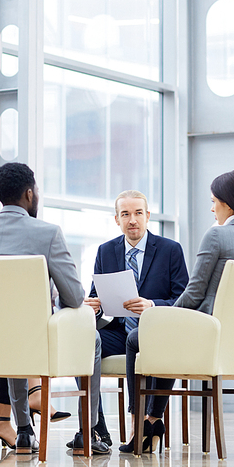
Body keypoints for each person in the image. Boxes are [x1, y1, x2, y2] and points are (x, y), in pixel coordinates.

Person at [0, 162, 110, 456]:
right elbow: (75, 299)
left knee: (14, 339)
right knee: (91, 339)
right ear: (29, 194)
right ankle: (87, 433)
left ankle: (25, 432)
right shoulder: (48, 233)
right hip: (36, 341)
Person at [124, 170, 234, 452]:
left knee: (138, 338)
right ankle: (153, 419)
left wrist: (162, 316)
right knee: (164, 337)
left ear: (227, 204)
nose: (211, 208)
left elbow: (193, 294)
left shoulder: (217, 235)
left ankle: (141, 423)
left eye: (214, 201)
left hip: (206, 338)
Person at [77, 190, 188, 453]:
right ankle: (95, 426)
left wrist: (151, 304)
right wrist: (92, 305)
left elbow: (183, 300)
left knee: (134, 339)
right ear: (117, 219)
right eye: (125, 214)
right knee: (79, 341)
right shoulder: (106, 251)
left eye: (138, 213)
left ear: (148, 216)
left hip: (155, 331)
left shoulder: (170, 250)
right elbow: (95, 295)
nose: (132, 220)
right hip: (117, 329)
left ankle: (141, 423)